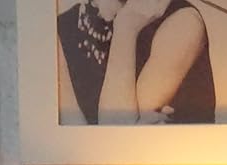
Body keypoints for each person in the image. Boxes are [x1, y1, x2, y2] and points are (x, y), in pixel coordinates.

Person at [57, 0, 216, 125]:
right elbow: (72, 145)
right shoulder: (61, 28)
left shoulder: (183, 24)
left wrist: (126, 28)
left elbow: (116, 132)